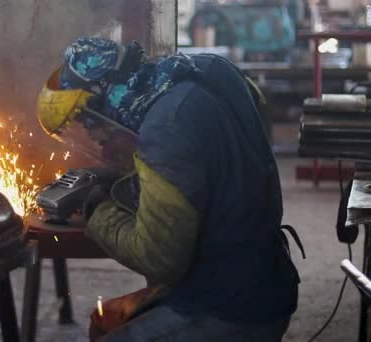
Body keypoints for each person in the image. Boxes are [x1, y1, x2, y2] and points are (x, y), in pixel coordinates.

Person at [35, 37, 305, 341]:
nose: (94, 135)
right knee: (105, 318)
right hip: (263, 279)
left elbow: (157, 259)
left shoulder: (166, 128)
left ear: (106, 96)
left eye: (89, 121)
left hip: (230, 308)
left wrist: (96, 207)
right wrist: (118, 178)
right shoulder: (200, 74)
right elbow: (210, 166)